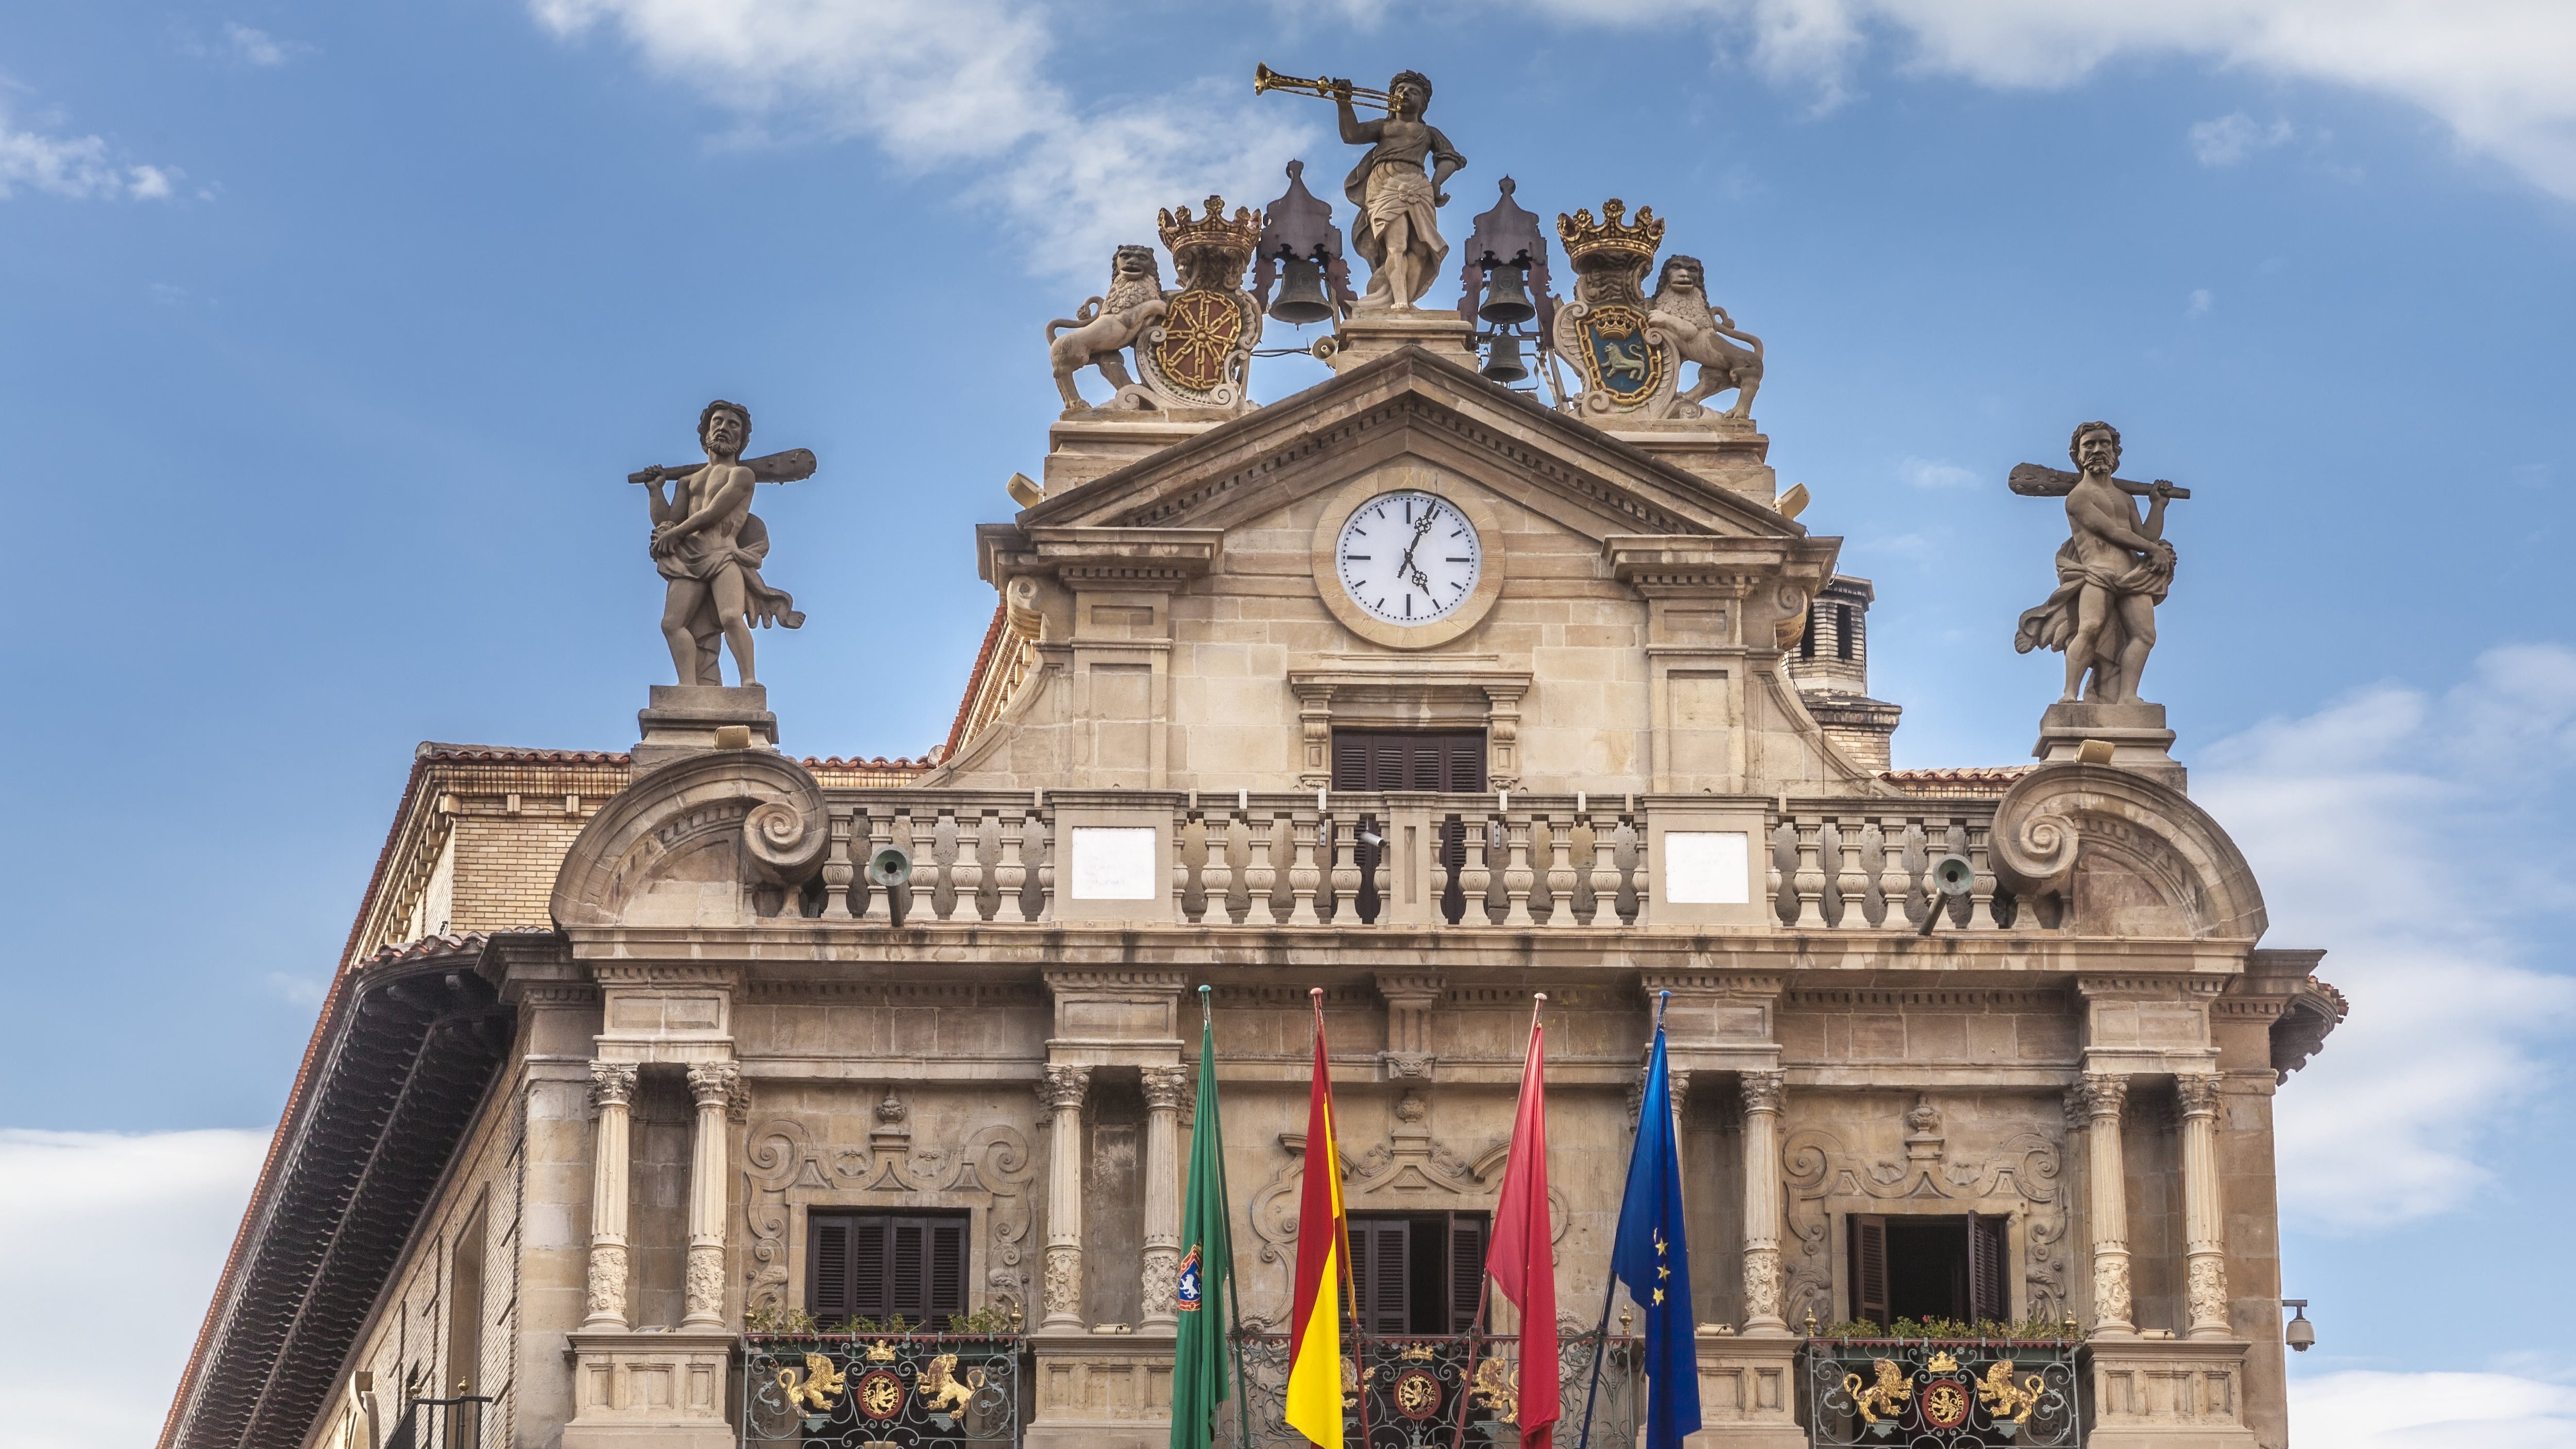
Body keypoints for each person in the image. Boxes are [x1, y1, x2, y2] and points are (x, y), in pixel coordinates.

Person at [636, 400, 803, 687]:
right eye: (718, 422)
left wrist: (675, 534)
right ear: (706, 432)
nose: (724, 428)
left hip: (724, 555)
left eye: (733, 424)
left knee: (730, 617)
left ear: (742, 438)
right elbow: (668, 523)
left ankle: (749, 681)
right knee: (672, 624)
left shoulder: (742, 475)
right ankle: (688, 687)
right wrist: (655, 491)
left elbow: (714, 512)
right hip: (689, 559)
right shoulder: (687, 482)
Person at [2014, 421, 2177, 704]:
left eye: (2105, 444)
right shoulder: (2078, 497)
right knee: (2089, 627)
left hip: (2133, 576)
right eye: (2089, 445)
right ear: (2078, 456)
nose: (2098, 449)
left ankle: (2127, 697)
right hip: (2098, 573)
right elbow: (2111, 531)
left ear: (2115, 453)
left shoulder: (2126, 499)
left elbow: (2145, 536)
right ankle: (2070, 694)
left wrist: (2158, 506)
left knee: (2145, 636)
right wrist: (2154, 550)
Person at [1335, 71, 1466, 311]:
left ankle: (1403, 297)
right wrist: (1344, 103)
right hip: (1386, 185)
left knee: (1421, 249)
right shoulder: (1384, 127)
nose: (1405, 94)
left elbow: (1449, 157)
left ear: (1423, 103)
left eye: (1413, 92)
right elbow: (1351, 135)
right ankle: (1400, 302)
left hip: (1419, 187)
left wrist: (1437, 183)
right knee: (1396, 245)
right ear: (1391, 98)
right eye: (1400, 90)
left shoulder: (1429, 133)